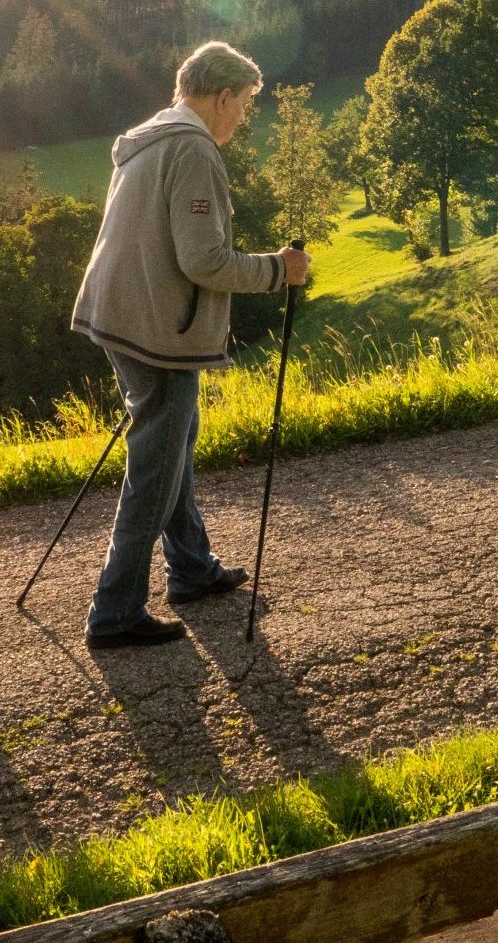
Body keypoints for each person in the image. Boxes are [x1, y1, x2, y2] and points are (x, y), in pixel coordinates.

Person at [72, 40, 310, 648]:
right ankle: (114, 611)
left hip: (120, 316)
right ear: (222, 95)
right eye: (244, 106)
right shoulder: (194, 147)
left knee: (173, 444)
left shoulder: (146, 137)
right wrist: (277, 271)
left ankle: (191, 569)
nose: (242, 119)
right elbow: (204, 260)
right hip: (161, 331)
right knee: (154, 466)